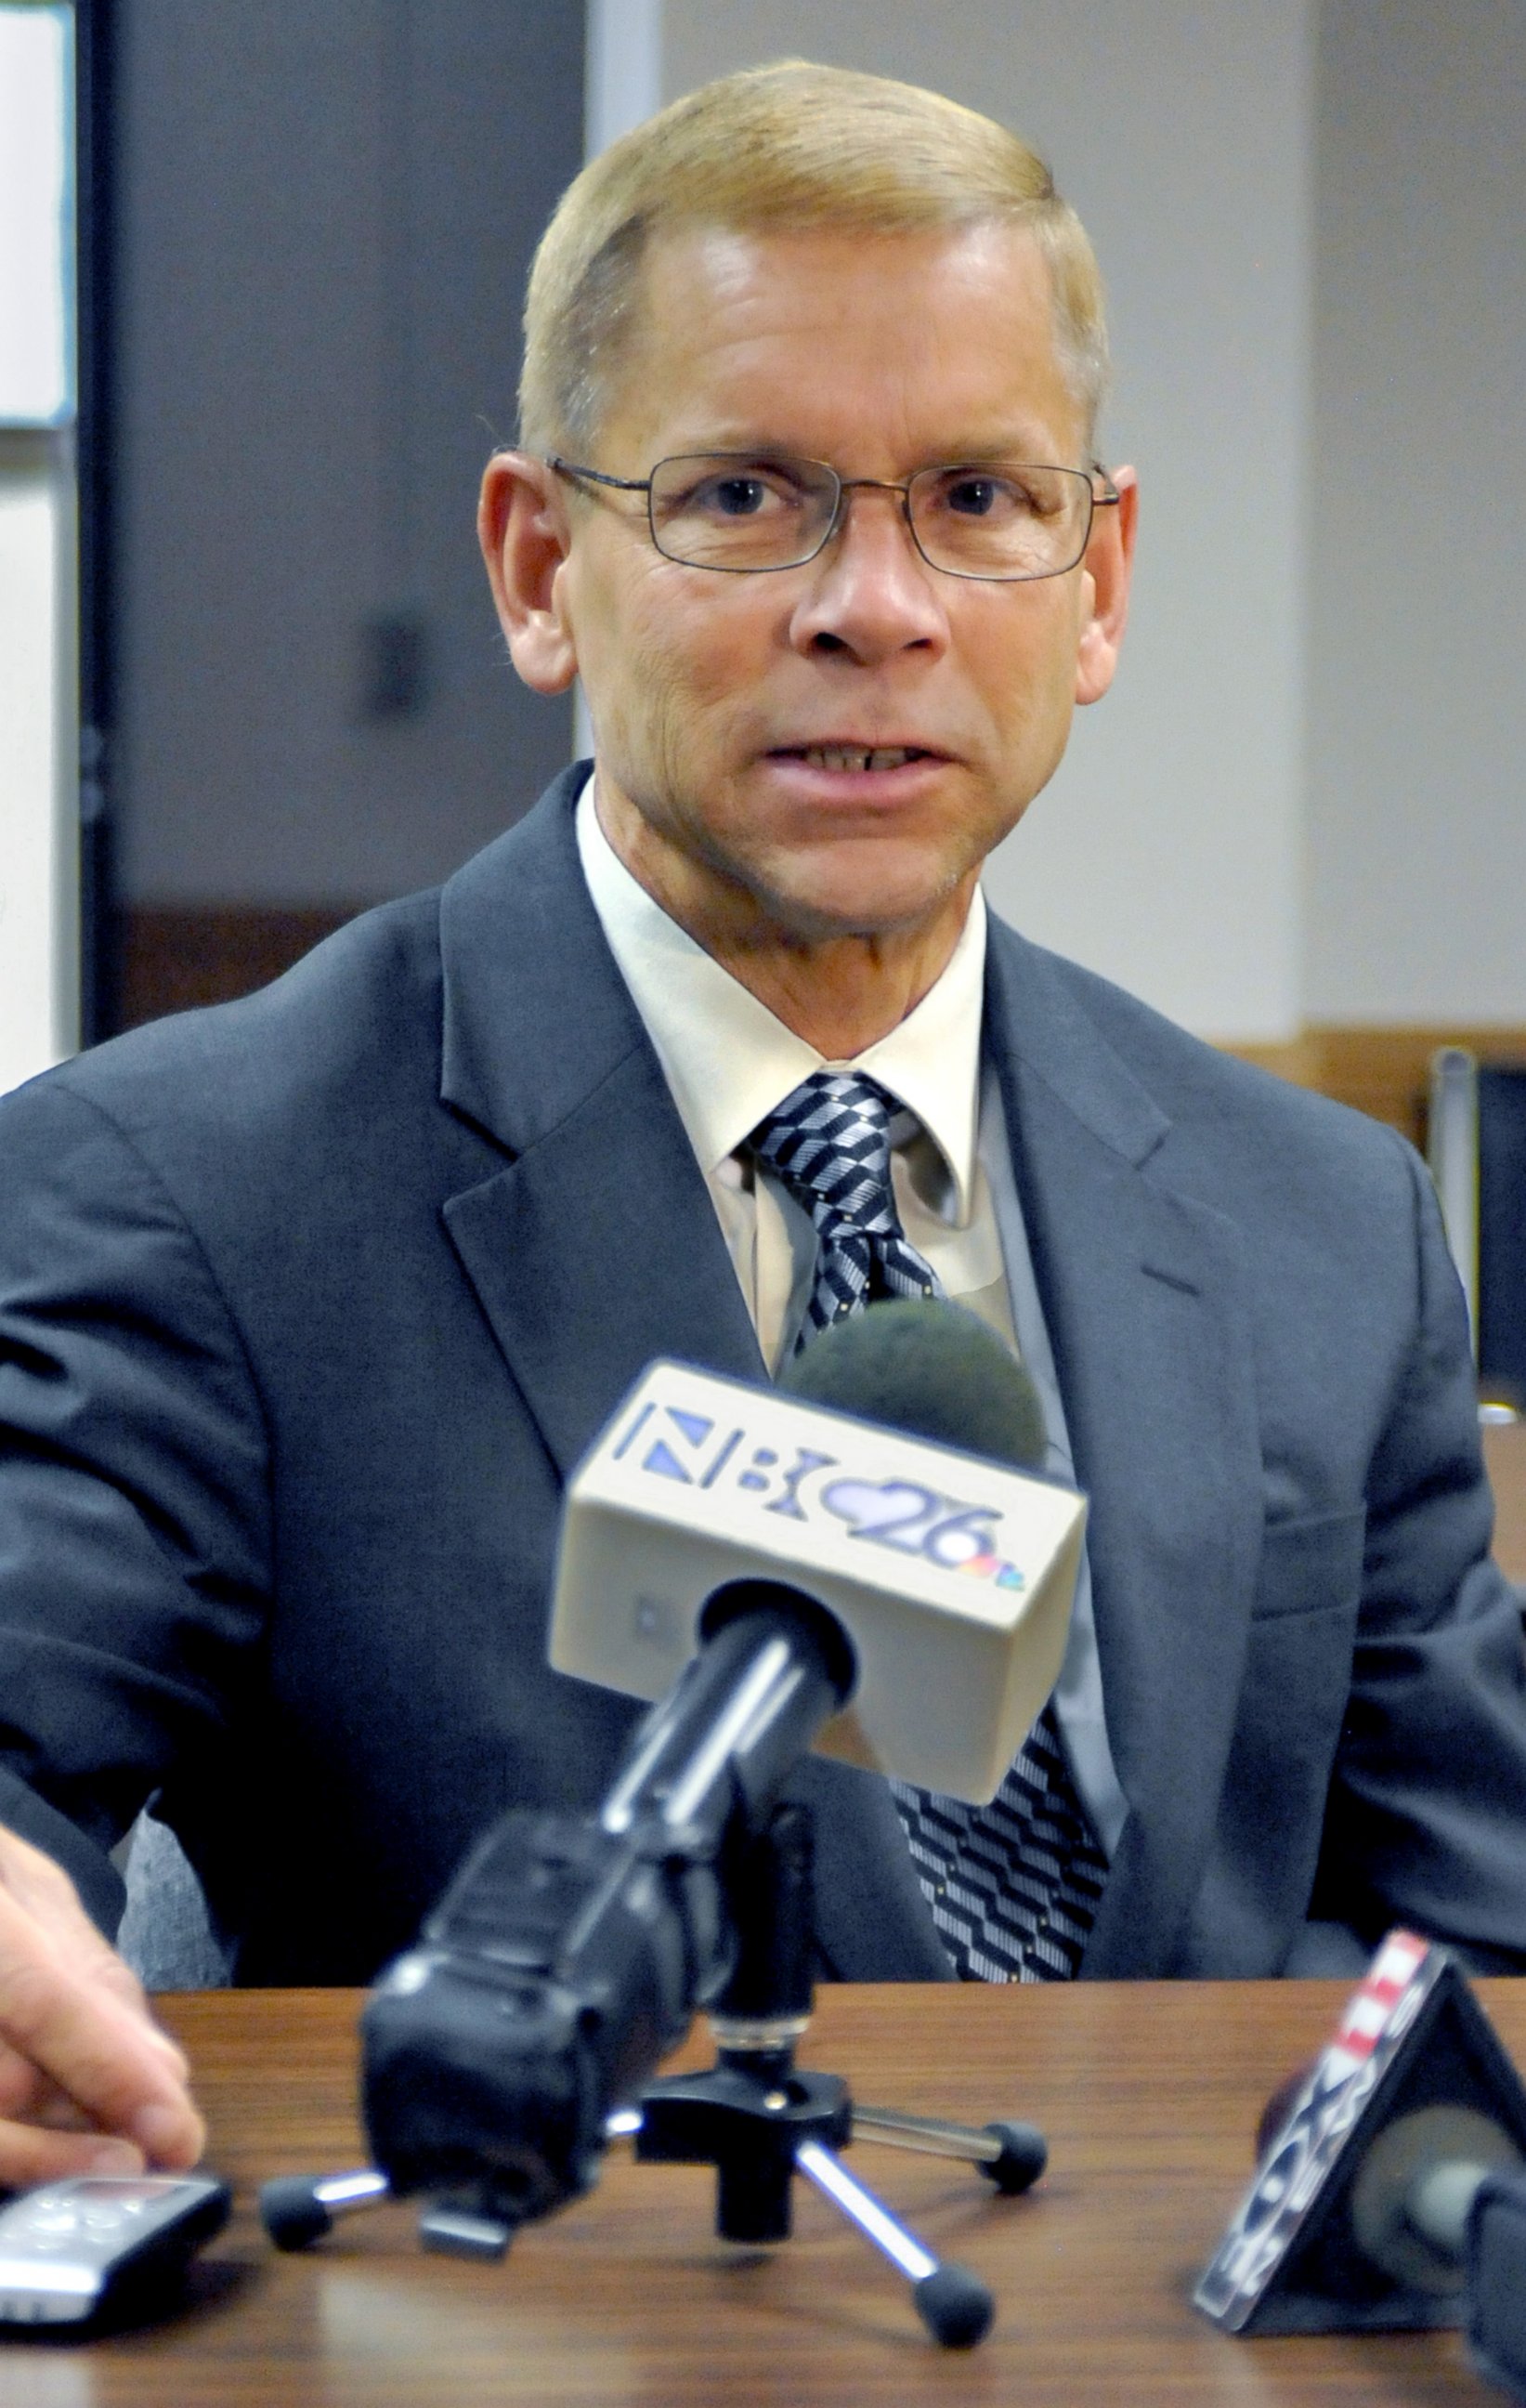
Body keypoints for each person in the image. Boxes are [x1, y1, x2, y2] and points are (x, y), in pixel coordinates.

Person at [1, 59, 1523, 2192]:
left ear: (1098, 585)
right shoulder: (190, 1187)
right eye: (744, 497)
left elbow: (1480, 1915)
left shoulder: (1320, 1222)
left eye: (979, 501)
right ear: (542, 569)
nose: (875, 607)